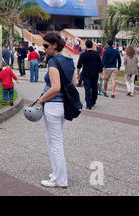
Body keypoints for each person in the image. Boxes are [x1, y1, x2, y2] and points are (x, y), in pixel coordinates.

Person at [35, 32, 76, 188]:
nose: (44, 48)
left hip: (53, 105)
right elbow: (73, 82)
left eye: (46, 46)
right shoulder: (69, 60)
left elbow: (55, 87)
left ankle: (60, 179)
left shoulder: (53, 62)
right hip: (64, 106)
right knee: (53, 140)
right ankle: (57, 174)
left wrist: (41, 99)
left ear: (55, 45)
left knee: (55, 143)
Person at [77, 40, 103, 109]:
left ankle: (88, 104)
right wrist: (101, 73)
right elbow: (100, 65)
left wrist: (78, 74)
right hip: (95, 74)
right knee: (94, 88)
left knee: (87, 89)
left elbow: (79, 66)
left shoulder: (83, 54)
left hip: (86, 74)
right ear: (92, 45)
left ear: (86, 45)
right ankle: (93, 101)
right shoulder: (96, 54)